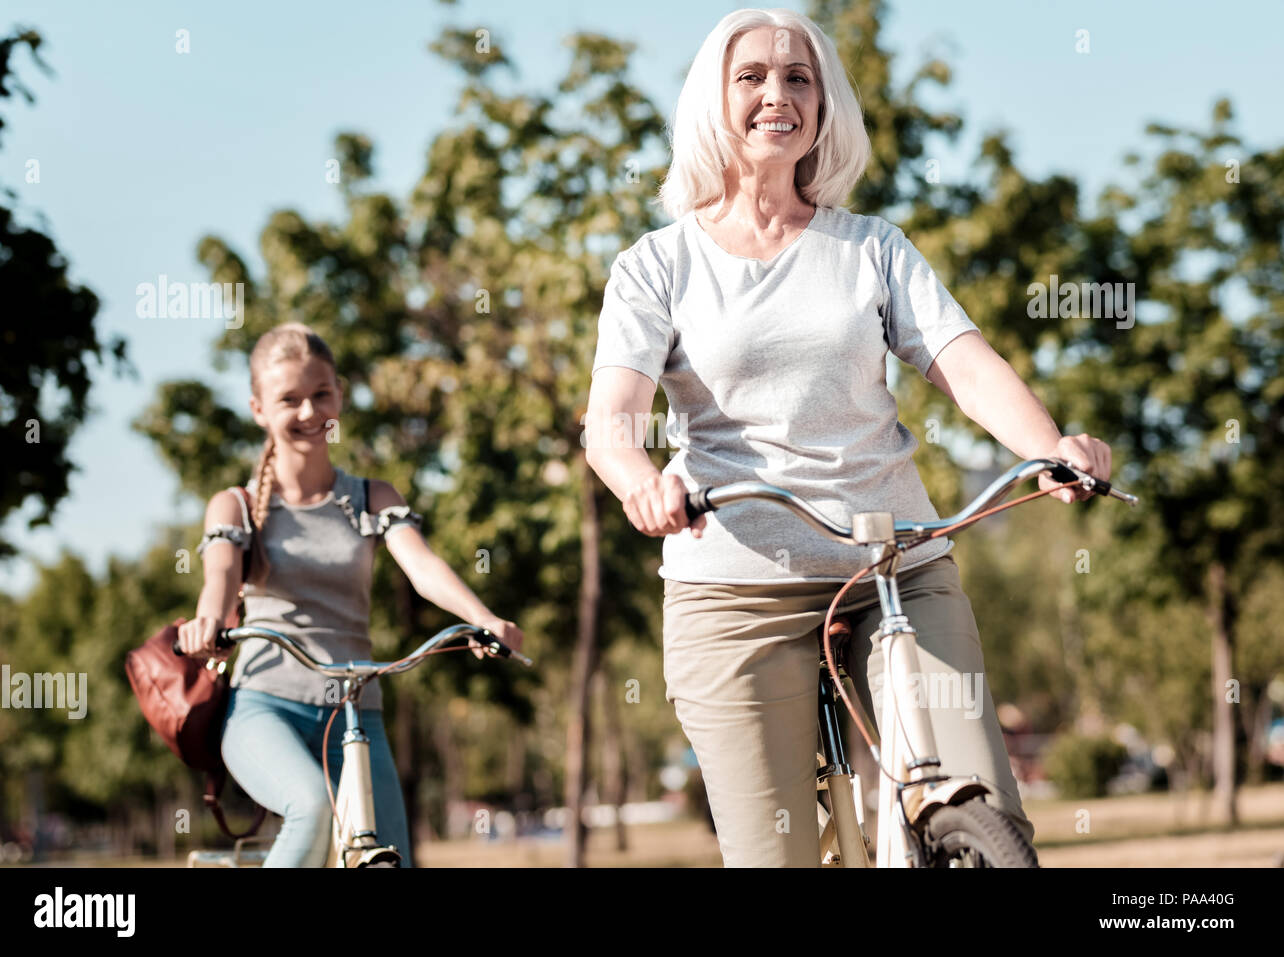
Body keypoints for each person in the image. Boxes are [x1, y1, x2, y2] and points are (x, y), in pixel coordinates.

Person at [584, 8, 1110, 867]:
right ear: (712, 100)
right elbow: (611, 420)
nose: (777, 95)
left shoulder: (872, 248)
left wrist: (1048, 445)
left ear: (824, 105)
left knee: (979, 798)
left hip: (895, 564)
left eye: (799, 77)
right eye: (751, 76)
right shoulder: (658, 264)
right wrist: (639, 478)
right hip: (735, 592)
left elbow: (965, 366)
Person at [177, 322, 523, 867]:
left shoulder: (371, 497)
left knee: (389, 859)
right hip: (267, 708)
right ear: (258, 409)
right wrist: (206, 625)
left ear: (339, 394)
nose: (310, 412)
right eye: (289, 399)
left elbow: (423, 567)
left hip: (359, 714)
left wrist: (482, 618)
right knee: (312, 808)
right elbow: (219, 584)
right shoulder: (236, 505)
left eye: (321, 394)